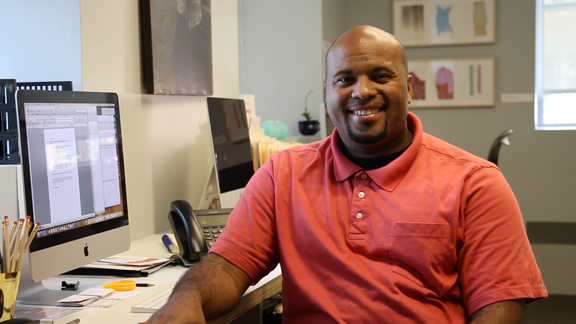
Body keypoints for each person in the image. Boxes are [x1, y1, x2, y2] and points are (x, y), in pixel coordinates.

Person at [143, 25, 547, 324]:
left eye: (380, 76)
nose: (362, 91)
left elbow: (499, 307)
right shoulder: (282, 173)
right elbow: (228, 268)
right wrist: (185, 300)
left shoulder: (475, 182)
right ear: (326, 92)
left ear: (410, 87)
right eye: (345, 79)